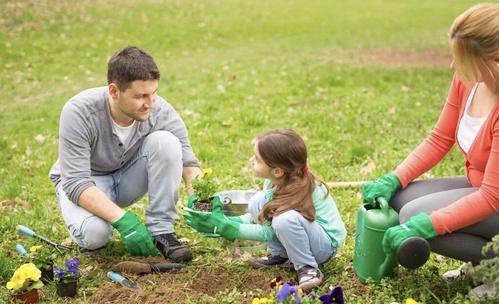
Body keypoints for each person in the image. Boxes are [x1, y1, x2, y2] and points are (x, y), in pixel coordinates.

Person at [361, 2, 499, 296]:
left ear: (494, 59)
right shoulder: (469, 79)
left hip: (494, 198)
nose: (453, 66)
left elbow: (491, 197)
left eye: (462, 58)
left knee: (415, 217)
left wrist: (429, 224)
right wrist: (394, 178)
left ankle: (494, 269)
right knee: (400, 199)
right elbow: (440, 138)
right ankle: (480, 259)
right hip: (484, 189)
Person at [49, 46, 202, 262]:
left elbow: (188, 162)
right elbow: (75, 182)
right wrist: (124, 221)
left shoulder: (159, 109)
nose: (150, 103)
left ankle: (161, 231)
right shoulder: (79, 112)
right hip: (89, 182)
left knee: (167, 143)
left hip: (128, 176)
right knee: (95, 235)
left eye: (154, 93)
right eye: (140, 96)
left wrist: (200, 199)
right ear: (114, 91)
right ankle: (100, 221)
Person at [186, 129, 346, 290]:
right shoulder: (275, 181)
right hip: (306, 236)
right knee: (258, 202)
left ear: (277, 171)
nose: (251, 160)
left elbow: (267, 232)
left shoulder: (299, 189)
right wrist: (225, 220)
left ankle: (308, 267)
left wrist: (226, 228)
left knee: (284, 220)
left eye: (257, 159)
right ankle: (280, 256)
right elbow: (261, 216)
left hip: (323, 247)